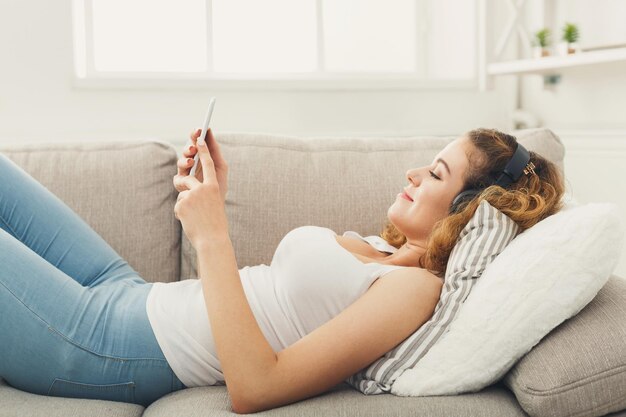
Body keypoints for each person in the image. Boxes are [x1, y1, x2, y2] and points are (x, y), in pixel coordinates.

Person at [0, 127, 564, 411]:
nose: (414, 173)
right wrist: (213, 195)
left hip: (96, 343)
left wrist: (212, 233)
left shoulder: (413, 292)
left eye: (436, 174)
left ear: (466, 212)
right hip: (126, 292)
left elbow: (255, 386)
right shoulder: (384, 251)